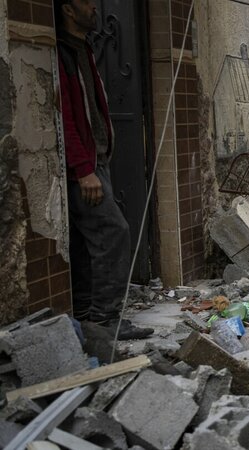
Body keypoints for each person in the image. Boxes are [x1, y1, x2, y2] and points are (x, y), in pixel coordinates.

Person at [56, 0, 153, 339]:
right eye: (85, 2)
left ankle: (87, 315)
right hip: (84, 167)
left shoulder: (83, 47)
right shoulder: (62, 54)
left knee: (89, 242)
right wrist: (83, 170)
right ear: (68, 10)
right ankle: (105, 320)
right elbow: (64, 117)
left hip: (97, 159)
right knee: (114, 232)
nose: (94, 7)